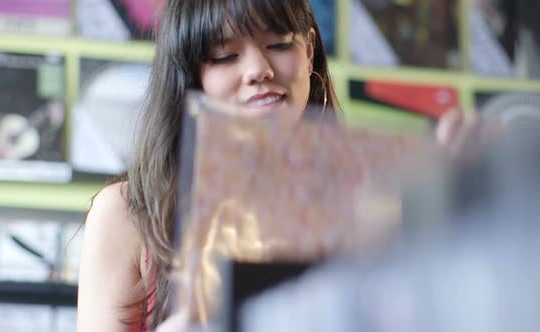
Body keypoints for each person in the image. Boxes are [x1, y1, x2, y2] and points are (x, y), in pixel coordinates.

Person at [76, 0, 483, 331]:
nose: (258, 70)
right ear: (190, 78)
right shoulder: (129, 213)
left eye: (278, 45)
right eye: (225, 55)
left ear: (308, 51)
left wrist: (460, 207)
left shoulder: (375, 199)